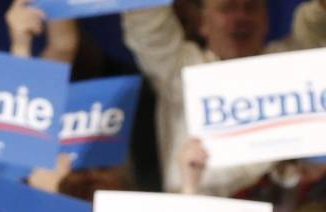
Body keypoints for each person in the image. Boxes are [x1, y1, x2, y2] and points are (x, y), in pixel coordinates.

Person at [123, 0, 326, 195]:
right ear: (203, 22)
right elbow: (146, 25)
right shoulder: (182, 68)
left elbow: (315, 27)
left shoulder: (287, 65)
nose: (241, 17)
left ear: (266, 20)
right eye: (227, 8)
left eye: (251, 7)